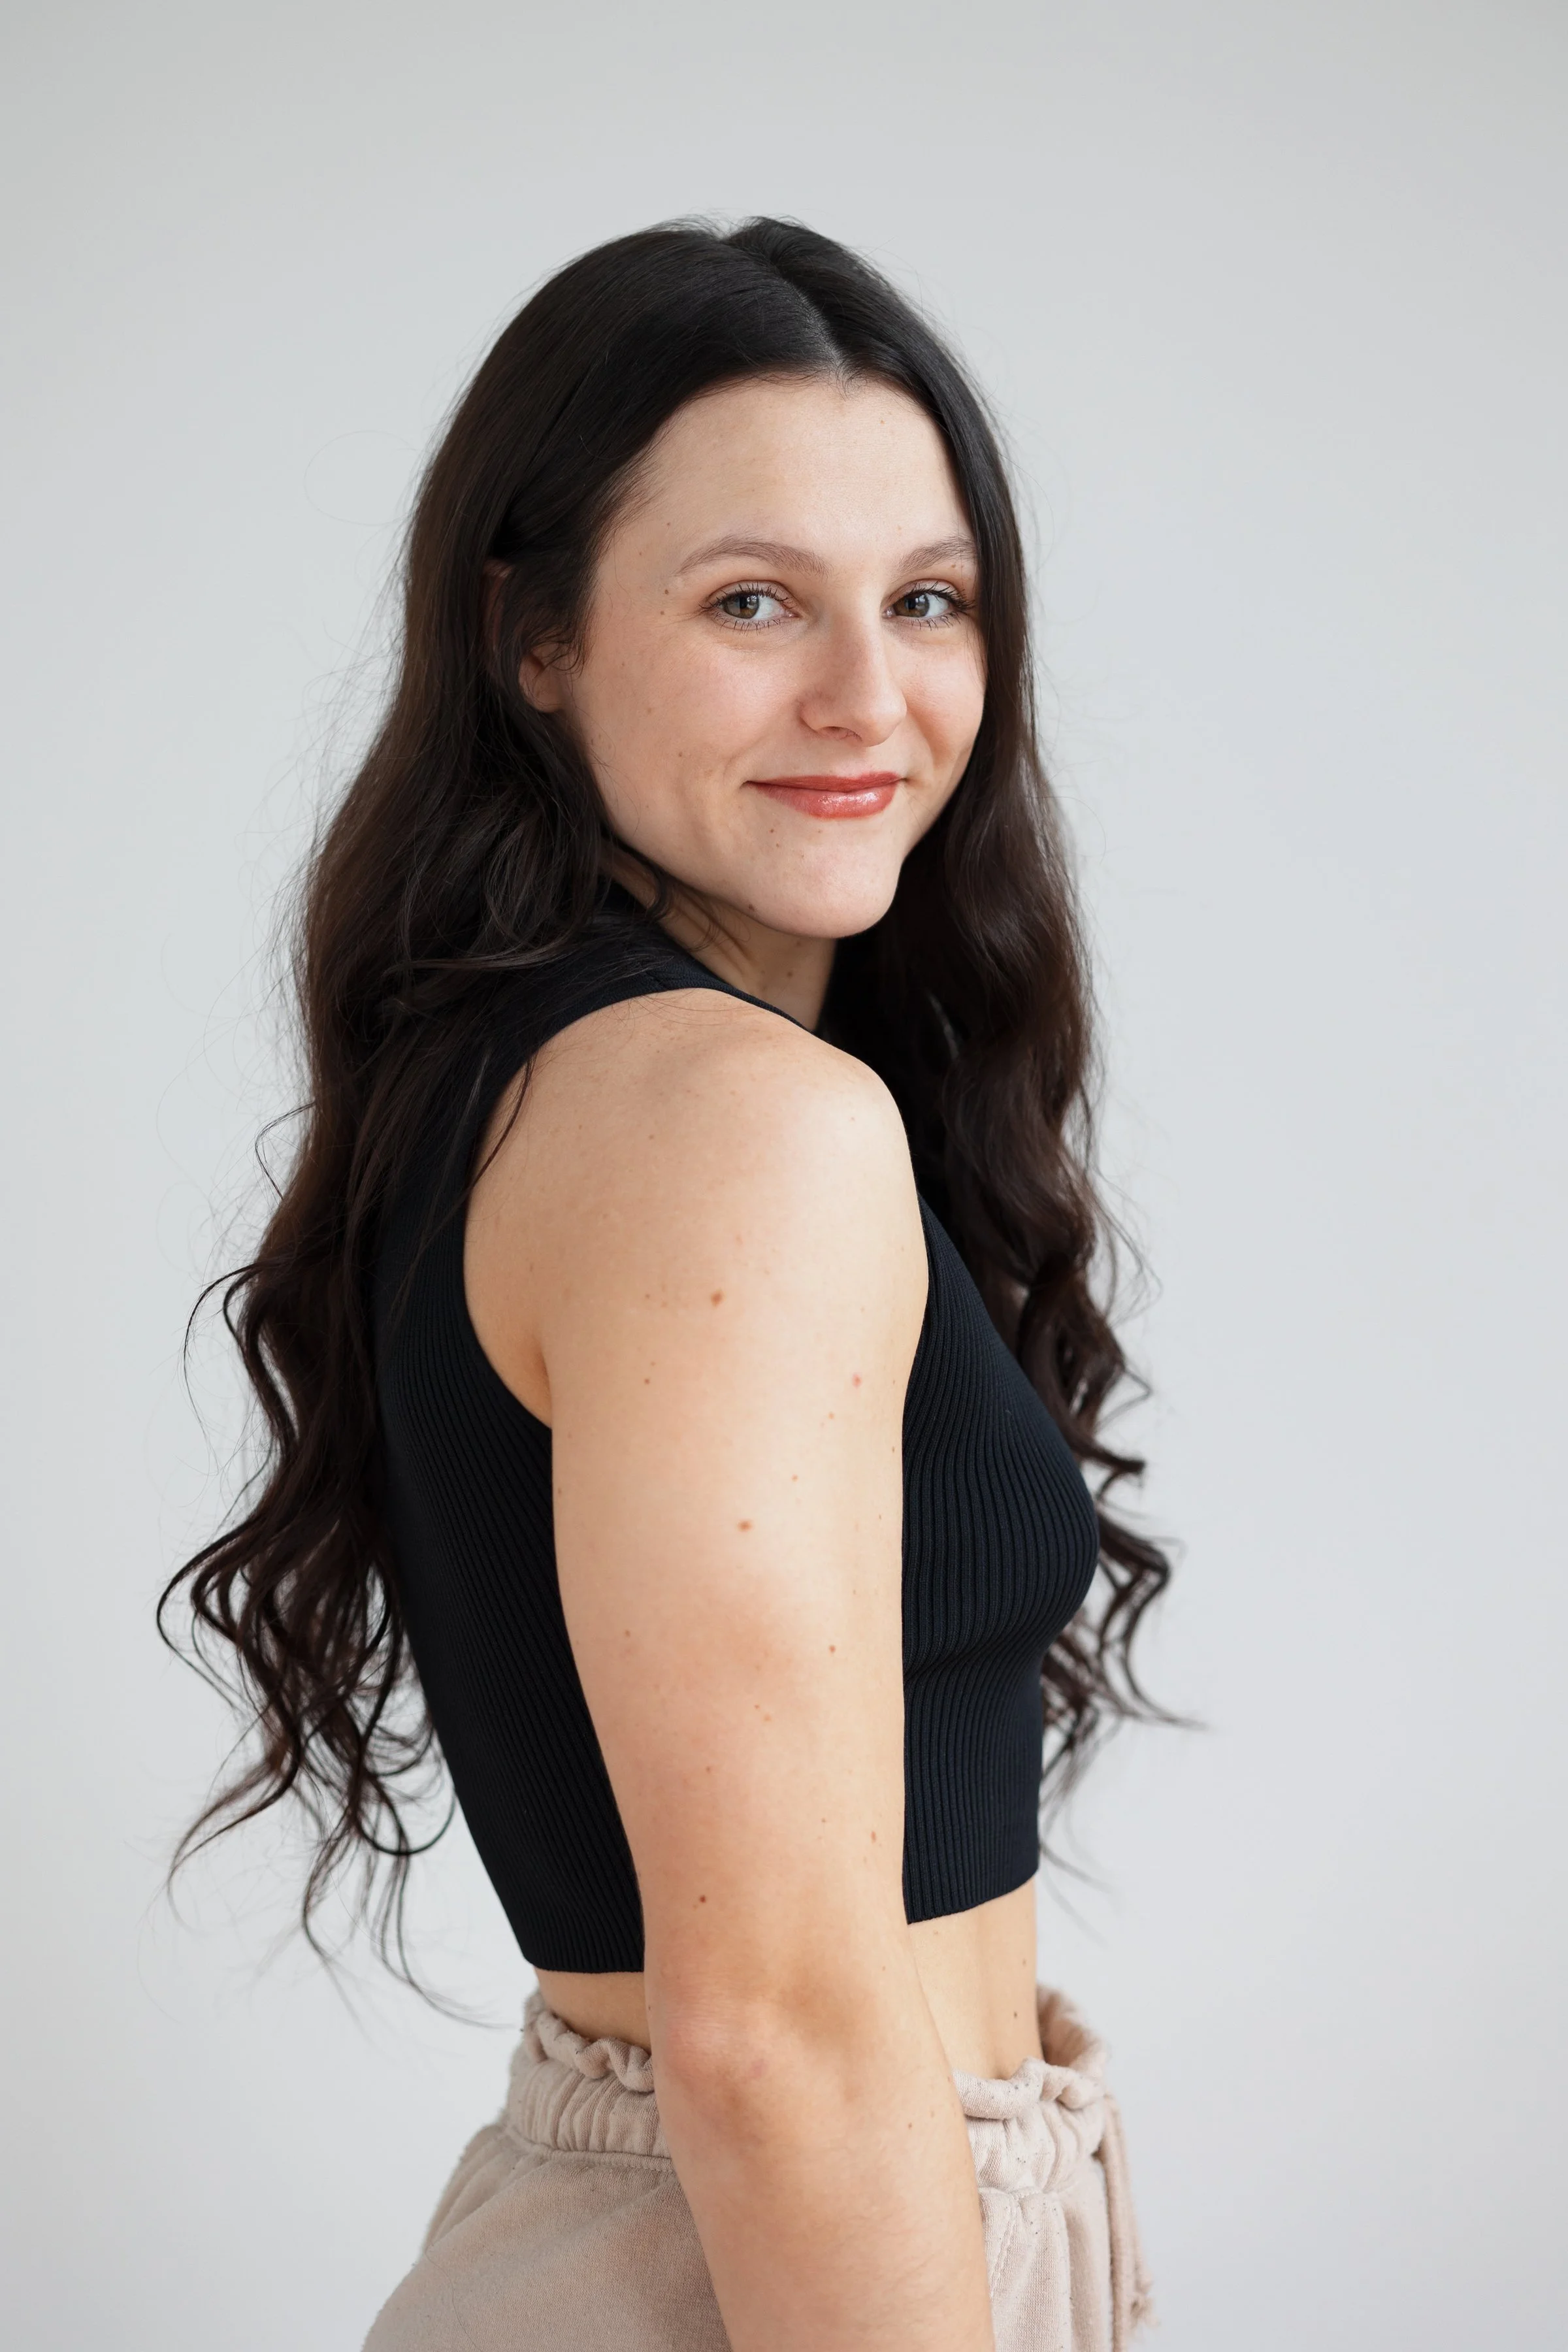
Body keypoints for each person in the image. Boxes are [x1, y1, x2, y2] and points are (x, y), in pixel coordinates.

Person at [165, 218, 1169, 2351]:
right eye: (751, 604)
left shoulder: (563, 1078)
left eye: (926, 599)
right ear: (534, 638)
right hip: (771, 2255)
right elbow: (777, 2035)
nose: (867, 696)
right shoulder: (727, 1127)